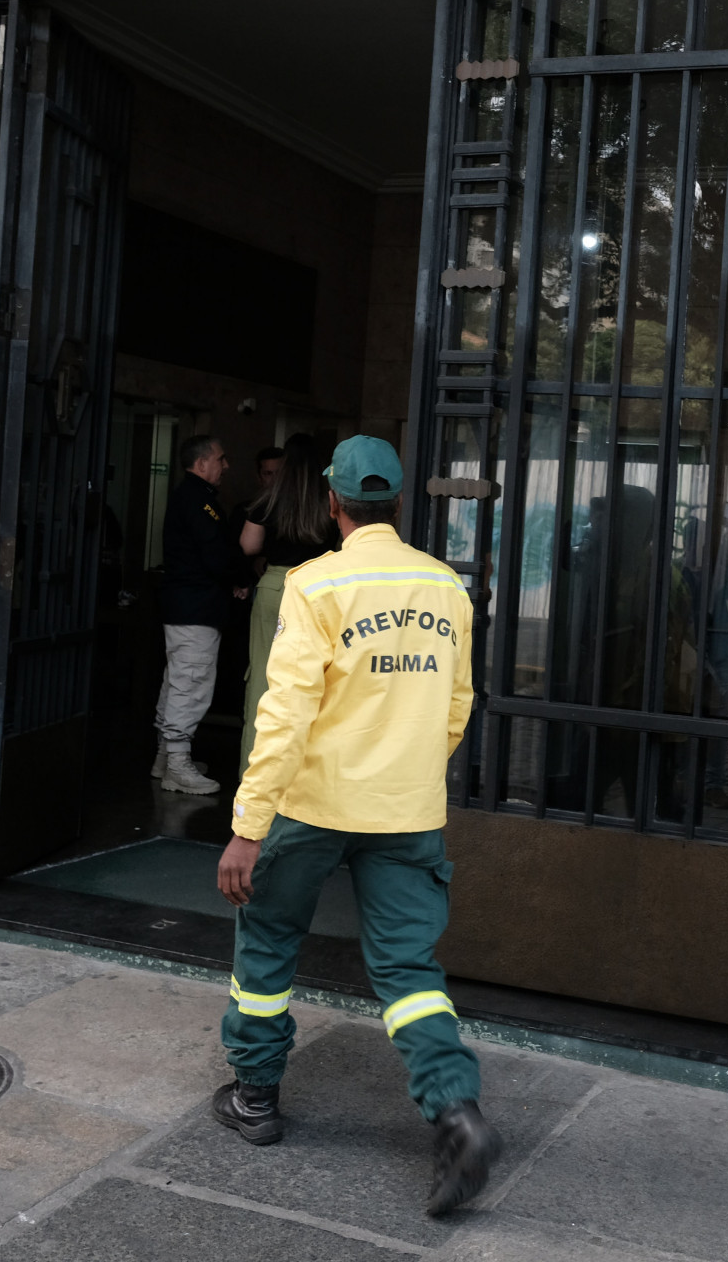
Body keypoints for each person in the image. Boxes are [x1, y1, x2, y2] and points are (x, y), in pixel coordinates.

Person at [212, 435, 501, 1217]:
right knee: (408, 971)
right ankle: (455, 1110)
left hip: (313, 805)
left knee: (269, 939)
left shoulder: (316, 585)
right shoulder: (446, 586)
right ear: (398, 503)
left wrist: (248, 826)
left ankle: (255, 1096)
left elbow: (284, 715)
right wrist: (406, 767)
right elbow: (457, 706)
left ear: (333, 504)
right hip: (407, 811)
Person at [236, 434, 337, 774]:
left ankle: (254, 772)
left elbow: (248, 545)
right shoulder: (330, 499)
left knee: (263, 681)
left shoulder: (270, 498)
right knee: (313, 680)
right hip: (318, 588)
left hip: (275, 586)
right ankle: (301, 775)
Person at [153, 434, 245, 795]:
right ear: (201, 463)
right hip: (196, 607)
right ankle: (177, 764)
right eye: (220, 459)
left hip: (188, 605)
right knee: (190, 683)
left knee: (178, 680)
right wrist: (240, 578)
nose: (226, 466)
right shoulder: (198, 500)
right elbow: (216, 555)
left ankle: (165, 758)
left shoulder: (191, 497)